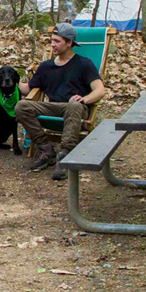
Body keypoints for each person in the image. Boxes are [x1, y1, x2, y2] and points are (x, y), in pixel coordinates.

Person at [16, 23, 105, 180]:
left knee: (74, 105)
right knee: (22, 106)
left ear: (69, 43)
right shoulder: (46, 66)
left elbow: (100, 90)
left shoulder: (84, 64)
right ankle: (46, 149)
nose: (52, 44)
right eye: (52, 40)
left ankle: (65, 156)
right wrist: (8, 83)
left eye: (57, 41)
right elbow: (28, 89)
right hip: (52, 107)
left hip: (75, 108)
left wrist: (85, 99)